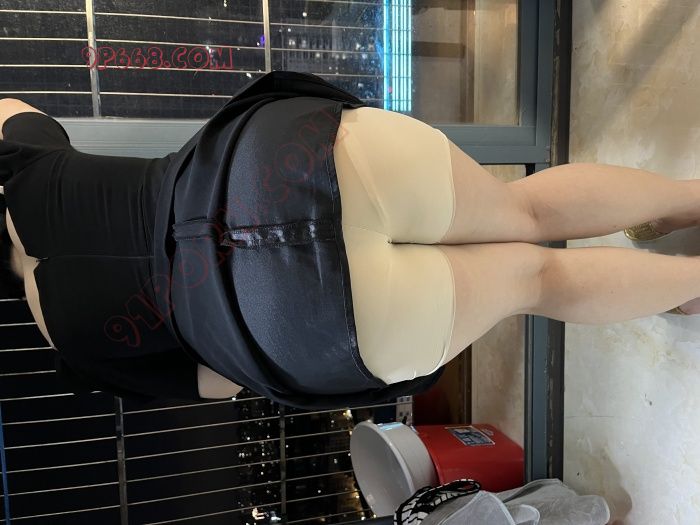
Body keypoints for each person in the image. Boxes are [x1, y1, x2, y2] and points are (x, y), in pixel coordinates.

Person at [2, 70, 700, 408]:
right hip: (276, 162)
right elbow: (13, 108)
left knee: (537, 281)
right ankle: (686, 200)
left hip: (296, 320)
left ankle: (691, 282)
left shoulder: (71, 342)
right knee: (526, 209)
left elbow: (221, 381)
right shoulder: (23, 170)